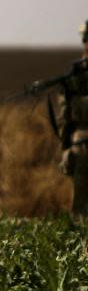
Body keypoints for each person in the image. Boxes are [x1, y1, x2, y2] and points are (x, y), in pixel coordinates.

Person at [57, 20, 88, 214]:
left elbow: (65, 118)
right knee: (80, 207)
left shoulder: (74, 77)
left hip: (81, 144)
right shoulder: (74, 76)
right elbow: (65, 118)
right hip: (81, 145)